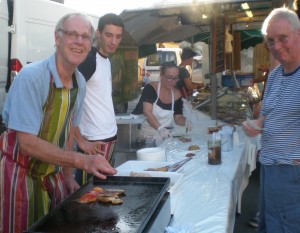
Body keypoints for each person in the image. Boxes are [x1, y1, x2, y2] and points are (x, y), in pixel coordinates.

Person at [0, 13, 117, 233]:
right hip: (19, 175)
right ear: (57, 38)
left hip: (52, 177)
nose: (79, 42)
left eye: (85, 36)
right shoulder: (32, 77)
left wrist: (65, 175)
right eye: (72, 34)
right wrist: (81, 160)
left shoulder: (79, 83)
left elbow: (69, 131)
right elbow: (26, 143)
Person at [242, 7, 300, 233]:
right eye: (270, 41)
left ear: (298, 35)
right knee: (268, 226)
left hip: (292, 170)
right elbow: (266, 112)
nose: (276, 46)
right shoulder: (275, 74)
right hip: (269, 166)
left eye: (282, 38)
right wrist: (257, 124)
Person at [74, 13, 124, 185]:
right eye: (109, 35)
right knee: (90, 196)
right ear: (98, 33)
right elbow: (69, 100)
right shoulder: (89, 60)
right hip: (94, 142)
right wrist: (80, 140)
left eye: (118, 36)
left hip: (110, 136)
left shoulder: (106, 60)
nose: (114, 41)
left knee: (106, 192)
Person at [132, 61, 192, 145]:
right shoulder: (151, 88)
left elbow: (178, 118)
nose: (173, 81)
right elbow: (147, 112)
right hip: (144, 138)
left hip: (164, 138)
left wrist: (185, 121)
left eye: (176, 78)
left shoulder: (177, 94)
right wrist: (160, 129)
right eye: (170, 77)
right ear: (161, 76)